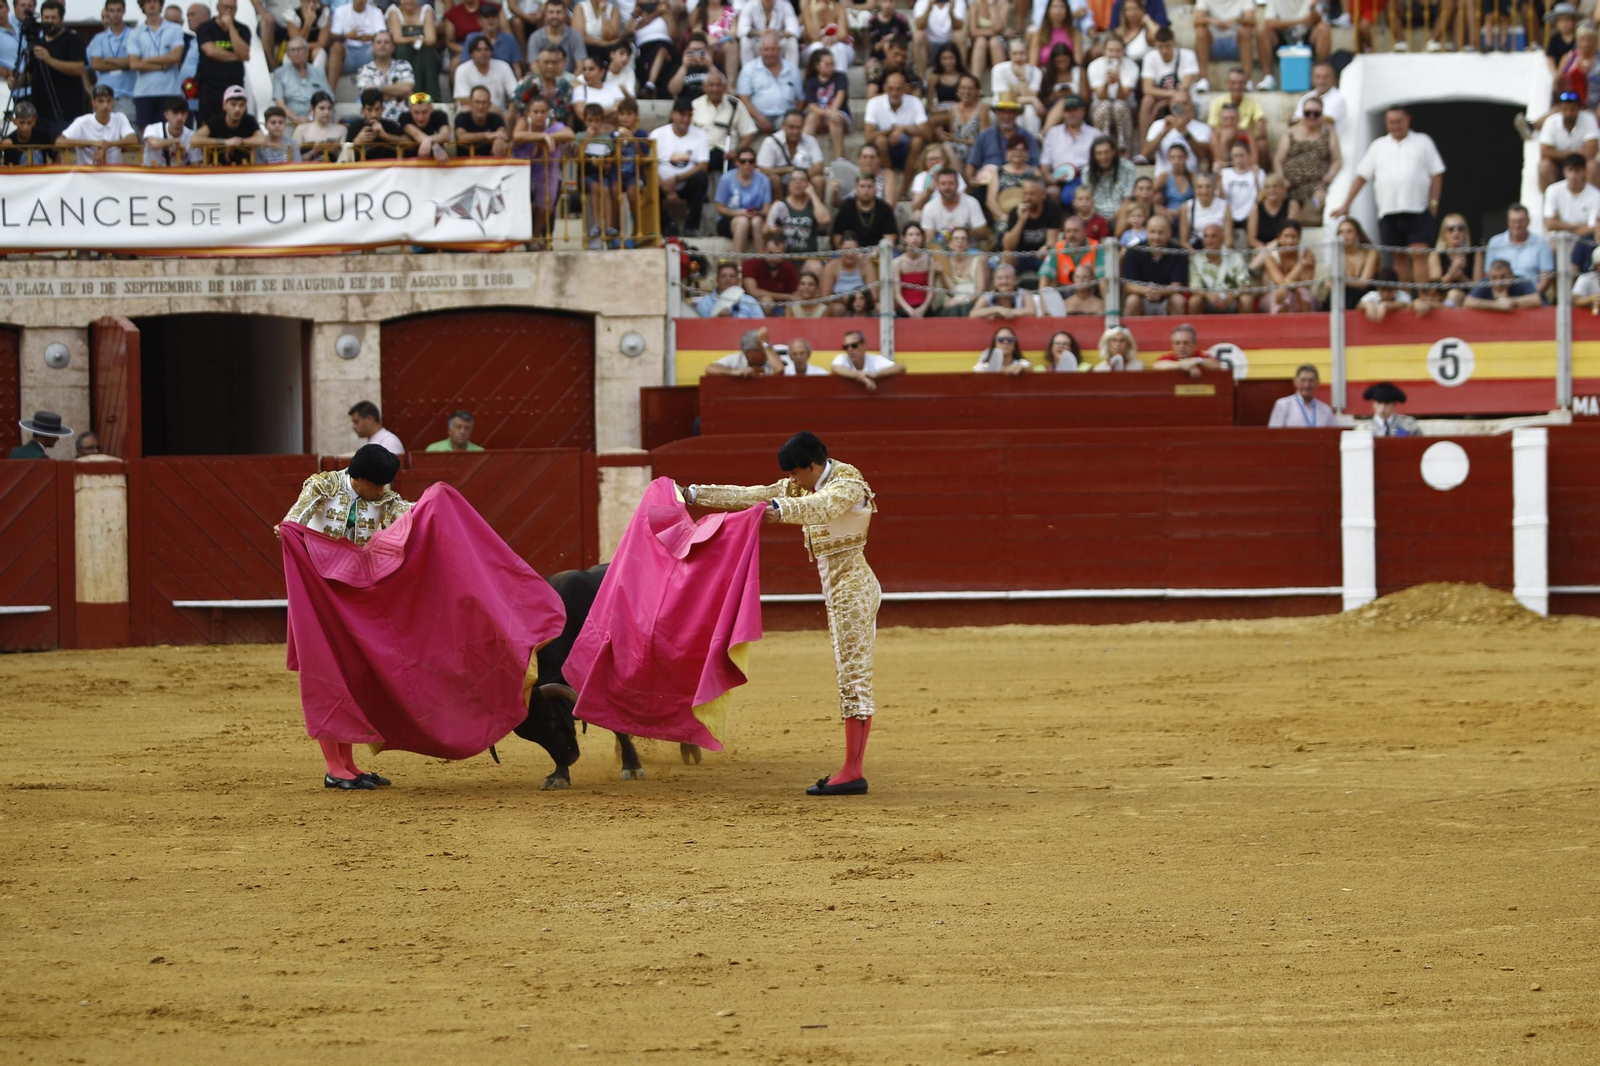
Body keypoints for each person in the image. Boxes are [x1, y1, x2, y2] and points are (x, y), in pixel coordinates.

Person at [686, 432, 880, 795]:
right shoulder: (802, 486)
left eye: (795, 473)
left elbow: (823, 507)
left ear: (812, 466)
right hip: (838, 590)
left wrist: (782, 510)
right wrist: (694, 494)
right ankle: (852, 768)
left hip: (854, 592)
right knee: (849, 674)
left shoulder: (848, 483)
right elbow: (751, 494)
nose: (791, 481)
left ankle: (853, 771)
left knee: (853, 676)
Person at [276, 445, 411, 791]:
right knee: (326, 676)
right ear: (360, 478)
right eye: (378, 485)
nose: (383, 492)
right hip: (319, 596)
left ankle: (348, 764)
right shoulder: (323, 487)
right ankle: (334, 767)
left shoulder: (383, 498)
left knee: (349, 678)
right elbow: (291, 525)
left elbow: (413, 516)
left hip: (353, 599)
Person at [1332, 107, 1445, 291]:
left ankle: (1425, 297)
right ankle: (1405, 297)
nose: (1395, 126)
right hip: (1388, 210)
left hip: (1418, 208)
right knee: (1398, 256)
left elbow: (1437, 173)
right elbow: (1362, 176)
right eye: (1390, 122)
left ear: (1408, 119)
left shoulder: (1423, 142)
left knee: (1418, 254)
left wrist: (1433, 203)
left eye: (1398, 121)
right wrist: (1346, 204)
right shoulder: (1378, 146)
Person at [26, 0, 89, 139]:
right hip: (40, 113)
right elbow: (31, 73)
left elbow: (79, 68)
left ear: (61, 19)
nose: (49, 21)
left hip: (66, 113)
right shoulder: (38, 43)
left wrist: (50, 60)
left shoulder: (73, 40)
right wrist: (16, 81)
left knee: (63, 154)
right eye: (46, 18)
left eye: (53, 18)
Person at [864, 71, 930, 197]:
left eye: (899, 89)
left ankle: (904, 189)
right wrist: (895, 129)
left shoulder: (915, 102)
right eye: (891, 88)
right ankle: (892, 187)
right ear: (884, 88)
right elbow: (868, 137)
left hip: (909, 150)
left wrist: (903, 129)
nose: (894, 93)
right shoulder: (874, 103)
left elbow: (928, 135)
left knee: (917, 141)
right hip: (884, 151)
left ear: (905, 88)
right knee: (880, 141)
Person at [1275, 97, 1339, 223]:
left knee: (1315, 208)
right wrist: (1282, 179)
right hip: (1292, 185)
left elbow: (1337, 158)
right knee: (1291, 212)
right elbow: (1278, 159)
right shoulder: (1291, 132)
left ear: (1322, 114)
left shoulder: (1328, 131)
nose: (1312, 117)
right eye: (1307, 113)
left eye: (1316, 113)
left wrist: (1330, 174)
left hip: (1317, 184)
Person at [654, 97, 713, 232]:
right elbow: (648, 167)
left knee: (702, 178)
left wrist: (677, 179)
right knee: (646, 183)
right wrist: (667, 189)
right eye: (682, 114)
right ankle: (666, 225)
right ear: (672, 114)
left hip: (686, 184)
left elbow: (703, 166)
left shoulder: (700, 134)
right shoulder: (657, 134)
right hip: (661, 185)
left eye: (689, 115)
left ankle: (691, 227)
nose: (686, 119)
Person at [127, 0, 186, 129]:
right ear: (142, 5)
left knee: (171, 130)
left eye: (155, 1)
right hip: (144, 91)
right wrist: (162, 65)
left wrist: (147, 60)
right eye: (148, 2)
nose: (152, 5)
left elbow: (176, 56)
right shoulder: (135, 32)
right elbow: (135, 64)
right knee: (146, 132)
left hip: (170, 90)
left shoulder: (174, 29)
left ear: (161, 4)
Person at [692, 69, 758, 174]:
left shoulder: (735, 104)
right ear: (704, 87)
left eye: (719, 85)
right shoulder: (695, 105)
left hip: (728, 154)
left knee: (737, 173)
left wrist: (737, 151)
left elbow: (749, 132)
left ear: (725, 87)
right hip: (703, 155)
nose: (715, 89)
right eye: (711, 85)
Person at [737, 30, 803, 134]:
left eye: (773, 49)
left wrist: (792, 117)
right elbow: (744, 98)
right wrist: (760, 118)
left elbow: (801, 99)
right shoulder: (749, 69)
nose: (770, 53)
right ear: (760, 50)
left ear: (779, 50)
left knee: (791, 128)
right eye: (766, 49)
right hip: (756, 116)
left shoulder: (793, 69)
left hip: (784, 116)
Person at [194, 0, 250, 120]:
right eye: (226, 7)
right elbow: (210, 51)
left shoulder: (243, 29)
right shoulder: (205, 27)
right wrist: (237, 57)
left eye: (232, 8)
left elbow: (244, 53)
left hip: (234, 86)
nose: (229, 10)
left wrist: (230, 27)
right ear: (218, 7)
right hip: (210, 88)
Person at [56, 84, 140, 164]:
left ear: (113, 102)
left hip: (113, 172)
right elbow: (59, 142)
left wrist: (106, 145)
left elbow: (133, 139)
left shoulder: (120, 117)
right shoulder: (82, 121)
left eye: (109, 101)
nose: (105, 105)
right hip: (87, 172)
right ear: (93, 102)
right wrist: (92, 143)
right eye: (100, 101)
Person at [1484, 204, 1555, 298]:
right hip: (1499, 294)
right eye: (1513, 221)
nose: (1517, 225)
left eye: (1521, 221)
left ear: (1528, 221)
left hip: (1531, 294)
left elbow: (1546, 277)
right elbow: (1488, 274)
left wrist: (1531, 297)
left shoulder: (1541, 243)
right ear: (1508, 222)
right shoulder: (1495, 242)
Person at [1121, 213, 1185, 315]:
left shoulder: (1179, 252)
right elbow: (1129, 285)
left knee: (1178, 300)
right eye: (1152, 232)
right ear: (1146, 232)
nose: (1156, 237)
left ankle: (1178, 330)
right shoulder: (1134, 251)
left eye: (1161, 233)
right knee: (1132, 300)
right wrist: (1147, 291)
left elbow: (1177, 286)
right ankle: (1129, 331)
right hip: (1142, 298)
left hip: (1166, 298)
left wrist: (1160, 292)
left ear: (1169, 233)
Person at [767, 167, 832, 268]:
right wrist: (772, 230)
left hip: (808, 258)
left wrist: (813, 194)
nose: (797, 183)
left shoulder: (813, 205)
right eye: (794, 179)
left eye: (802, 180)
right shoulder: (780, 205)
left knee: (816, 266)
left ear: (808, 184)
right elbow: (765, 230)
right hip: (784, 259)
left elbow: (825, 220)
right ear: (789, 183)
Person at [1543, 153, 1600, 267]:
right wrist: (1577, 226)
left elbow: (1593, 228)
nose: (1573, 175)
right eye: (1570, 170)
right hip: (1558, 240)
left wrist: (1561, 224)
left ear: (1584, 172)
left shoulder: (1595, 195)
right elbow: (1550, 224)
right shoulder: (1553, 190)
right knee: (1551, 250)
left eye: (1577, 171)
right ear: (1564, 171)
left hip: (1583, 242)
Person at [1255, 0, 1327, 90]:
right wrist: (1301, 21)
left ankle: (1319, 74)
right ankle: (1268, 77)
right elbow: (1269, 22)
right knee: (1262, 30)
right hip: (1283, 38)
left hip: (1307, 38)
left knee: (1324, 28)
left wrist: (1313, 8)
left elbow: (1319, 18)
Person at [1137, 26, 1197, 133]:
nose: (1164, 51)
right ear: (1155, 45)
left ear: (1174, 43)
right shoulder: (1150, 57)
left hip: (1183, 97)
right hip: (1165, 96)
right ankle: (1144, 144)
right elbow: (1147, 89)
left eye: (1168, 46)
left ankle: (1183, 135)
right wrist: (1168, 97)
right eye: (1160, 47)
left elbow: (1185, 87)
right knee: (1147, 101)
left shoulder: (1188, 56)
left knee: (1179, 100)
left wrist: (1164, 102)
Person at [965, 97, 1039, 183]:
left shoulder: (1028, 137)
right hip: (987, 183)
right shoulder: (984, 135)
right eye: (1002, 112)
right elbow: (972, 164)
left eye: (1010, 112)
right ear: (997, 113)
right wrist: (971, 179)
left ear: (1016, 114)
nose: (1006, 116)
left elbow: (1035, 165)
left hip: (1019, 182)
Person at [757, 107, 825, 200]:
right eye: (791, 127)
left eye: (799, 127)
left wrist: (799, 179)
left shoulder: (810, 140)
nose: (795, 131)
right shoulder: (770, 142)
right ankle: (779, 211)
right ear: (783, 125)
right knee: (774, 179)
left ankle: (815, 213)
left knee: (819, 180)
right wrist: (790, 170)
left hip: (804, 181)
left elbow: (819, 166)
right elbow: (763, 169)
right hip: (780, 183)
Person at [1001, 175, 1062, 277]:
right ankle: (1002, 291)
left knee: (1053, 257)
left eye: (1032, 194)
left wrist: (1046, 247)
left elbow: (1052, 240)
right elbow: (1008, 245)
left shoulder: (1052, 209)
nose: (1028, 198)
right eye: (1025, 194)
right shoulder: (1015, 212)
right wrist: (1021, 220)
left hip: (1041, 255)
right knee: (1006, 255)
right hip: (1020, 254)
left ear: (1043, 195)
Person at [714, 146, 773, 251]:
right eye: (743, 161)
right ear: (737, 162)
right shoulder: (726, 179)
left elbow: (766, 209)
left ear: (755, 163)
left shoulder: (764, 180)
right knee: (742, 221)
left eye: (751, 161)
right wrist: (738, 213)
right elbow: (720, 207)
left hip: (755, 217)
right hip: (730, 219)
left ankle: (762, 261)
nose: (747, 164)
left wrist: (757, 213)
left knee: (757, 221)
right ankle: (739, 265)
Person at [1537, 90, 1599, 190]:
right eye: (1565, 109)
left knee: (1593, 166)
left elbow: (1591, 152)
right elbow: (1544, 152)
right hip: (1558, 166)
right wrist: (1574, 153)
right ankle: (1548, 201)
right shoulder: (1551, 121)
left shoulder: (1589, 119)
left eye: (1572, 109)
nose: (1569, 113)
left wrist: (1558, 153)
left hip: (1581, 165)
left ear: (1579, 108)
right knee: (1545, 166)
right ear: (1560, 108)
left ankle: (1594, 202)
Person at [88, 0, 138, 122]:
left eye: (118, 10)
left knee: (130, 133)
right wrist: (123, 62)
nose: (115, 14)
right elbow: (96, 64)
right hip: (103, 95)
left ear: (124, 11)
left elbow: (134, 62)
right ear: (107, 12)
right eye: (111, 10)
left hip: (127, 95)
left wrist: (108, 60)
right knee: (101, 132)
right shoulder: (99, 38)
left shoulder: (134, 35)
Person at [1086, 34, 1136, 154]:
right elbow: (1101, 96)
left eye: (1118, 50)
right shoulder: (1094, 66)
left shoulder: (1131, 66)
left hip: (1125, 105)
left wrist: (1118, 81)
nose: (1114, 54)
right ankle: (1103, 147)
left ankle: (1124, 150)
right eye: (1111, 50)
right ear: (1104, 51)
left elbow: (1123, 96)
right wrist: (1106, 82)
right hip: (1100, 105)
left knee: (1118, 105)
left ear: (1123, 51)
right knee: (1105, 106)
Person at [1187, 221, 1250, 313]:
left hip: (1231, 299)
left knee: (1246, 299)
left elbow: (1245, 283)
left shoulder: (1236, 256)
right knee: (1195, 301)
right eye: (1206, 236)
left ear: (1222, 238)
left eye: (1214, 236)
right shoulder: (1196, 259)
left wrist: (1233, 294)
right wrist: (1207, 294)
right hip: (1208, 300)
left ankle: (1247, 327)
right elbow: (1194, 286)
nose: (1209, 240)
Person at [801, 46, 850, 163]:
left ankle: (839, 159)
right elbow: (811, 105)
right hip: (821, 116)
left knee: (834, 118)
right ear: (817, 66)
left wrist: (833, 110)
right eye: (827, 64)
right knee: (812, 116)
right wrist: (826, 112)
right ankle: (803, 153)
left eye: (832, 64)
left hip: (840, 115)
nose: (830, 67)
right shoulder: (811, 81)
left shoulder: (840, 76)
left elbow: (840, 94)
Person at [191, 84, 264, 163]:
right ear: (224, 105)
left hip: (244, 168)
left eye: (241, 105)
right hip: (217, 168)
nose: (237, 109)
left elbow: (261, 140)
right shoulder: (216, 121)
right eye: (233, 104)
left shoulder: (249, 120)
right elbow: (194, 140)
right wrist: (226, 142)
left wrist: (239, 142)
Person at [356, 31, 416, 124]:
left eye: (386, 42)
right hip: (374, 122)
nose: (382, 45)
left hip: (402, 122)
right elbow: (368, 96)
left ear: (393, 47)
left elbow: (407, 89)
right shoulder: (364, 69)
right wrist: (398, 93)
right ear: (373, 47)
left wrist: (378, 88)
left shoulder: (404, 65)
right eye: (379, 42)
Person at [921, 166, 990, 244]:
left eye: (951, 183)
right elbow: (929, 240)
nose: (947, 187)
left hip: (968, 251)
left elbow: (983, 233)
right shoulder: (929, 207)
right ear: (938, 185)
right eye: (943, 184)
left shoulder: (971, 202)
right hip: (941, 252)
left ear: (957, 184)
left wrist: (962, 233)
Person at [388, 0, 441, 99]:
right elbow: (397, 38)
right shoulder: (394, 11)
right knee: (402, 50)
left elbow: (431, 39)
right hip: (403, 51)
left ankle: (432, 97)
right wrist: (414, 39)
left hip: (423, 51)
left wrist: (418, 41)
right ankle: (407, 96)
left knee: (428, 52)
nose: (409, 1)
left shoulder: (426, 11)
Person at [272, 36, 332, 124]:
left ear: (307, 51)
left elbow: (329, 98)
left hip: (316, 120)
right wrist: (296, 119)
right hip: (289, 120)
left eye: (300, 49)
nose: (296, 53)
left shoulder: (319, 72)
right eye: (293, 50)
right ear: (288, 54)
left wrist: (311, 117)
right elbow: (280, 104)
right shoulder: (279, 73)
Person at [1262, 220, 1317, 313]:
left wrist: (1287, 284)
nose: (1290, 241)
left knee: (1304, 296)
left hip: (1300, 292)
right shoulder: (1270, 257)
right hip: (1275, 294)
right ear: (1279, 237)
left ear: (1299, 238)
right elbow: (1279, 283)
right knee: (1282, 299)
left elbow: (1306, 282)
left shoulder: (1307, 253)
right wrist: (1300, 265)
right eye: (1286, 236)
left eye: (1294, 237)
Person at [832, 173, 899, 249]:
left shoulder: (885, 209)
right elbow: (837, 238)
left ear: (875, 189)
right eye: (862, 186)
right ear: (856, 188)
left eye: (869, 186)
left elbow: (890, 239)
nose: (866, 190)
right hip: (851, 254)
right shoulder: (846, 207)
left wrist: (874, 254)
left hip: (878, 253)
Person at [1193, 0, 1254, 83]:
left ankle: (1247, 80)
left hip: (1237, 43)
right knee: (1201, 31)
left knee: (1246, 31)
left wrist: (1237, 20)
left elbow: (1252, 20)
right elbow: (1196, 20)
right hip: (1213, 44)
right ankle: (1203, 79)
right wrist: (1211, 20)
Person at [457, 32, 520, 111]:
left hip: (499, 114)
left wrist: (511, 110)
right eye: (479, 50)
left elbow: (514, 94)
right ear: (471, 53)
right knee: (465, 109)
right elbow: (463, 99)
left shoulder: (504, 66)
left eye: (486, 49)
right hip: (473, 113)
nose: (483, 53)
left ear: (491, 52)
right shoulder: (462, 70)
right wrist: (489, 107)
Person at [1427, 213, 1477, 308]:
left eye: (1460, 228)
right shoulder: (1436, 255)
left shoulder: (1474, 254)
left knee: (1456, 293)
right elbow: (1434, 289)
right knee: (1454, 294)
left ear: (1465, 232)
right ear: (1444, 233)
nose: (1456, 232)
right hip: (1442, 298)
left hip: (1469, 298)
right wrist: (1451, 275)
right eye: (1451, 229)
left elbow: (1478, 287)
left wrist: (1461, 277)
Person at [743, 232, 802, 312]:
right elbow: (753, 292)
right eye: (771, 253)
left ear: (784, 252)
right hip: (755, 309)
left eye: (778, 254)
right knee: (766, 301)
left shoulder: (789, 268)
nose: (774, 257)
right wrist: (787, 296)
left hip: (783, 308)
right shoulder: (751, 264)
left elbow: (795, 294)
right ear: (764, 250)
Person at [821, 233, 880, 312]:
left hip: (863, 304)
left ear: (858, 250)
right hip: (840, 304)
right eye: (846, 249)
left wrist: (858, 301)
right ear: (840, 249)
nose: (850, 253)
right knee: (837, 309)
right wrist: (843, 299)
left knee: (879, 307)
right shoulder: (831, 266)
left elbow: (874, 296)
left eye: (853, 250)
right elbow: (825, 297)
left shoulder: (866, 265)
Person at [893, 222, 942, 316]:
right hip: (904, 307)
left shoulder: (929, 260)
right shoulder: (897, 263)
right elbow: (897, 294)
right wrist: (909, 310)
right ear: (904, 239)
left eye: (918, 234)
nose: (914, 238)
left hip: (924, 306)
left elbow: (931, 291)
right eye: (911, 235)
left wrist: (923, 308)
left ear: (922, 238)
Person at [463, 3, 523, 77]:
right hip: (477, 80)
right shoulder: (471, 38)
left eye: (493, 17)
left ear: (498, 20)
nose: (490, 20)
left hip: (504, 80)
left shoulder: (509, 39)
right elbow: (465, 64)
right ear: (480, 21)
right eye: (486, 17)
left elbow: (516, 67)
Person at [1268, 364, 1336, 427]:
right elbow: (1273, 435)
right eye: (1303, 380)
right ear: (1295, 382)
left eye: (1311, 380)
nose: (1307, 385)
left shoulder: (1325, 410)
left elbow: (1335, 435)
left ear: (1317, 383)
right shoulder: (1283, 405)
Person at [832, 330, 906, 388]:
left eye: (854, 345)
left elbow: (901, 367)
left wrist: (875, 375)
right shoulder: (843, 358)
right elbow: (835, 368)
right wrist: (861, 377)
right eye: (846, 347)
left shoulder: (874, 359)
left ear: (864, 345)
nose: (850, 349)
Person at [1464, 259, 1544, 312]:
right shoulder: (1485, 283)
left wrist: (1511, 301)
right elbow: (1468, 301)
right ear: (1489, 276)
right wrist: (1497, 305)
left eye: (1503, 277)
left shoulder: (1521, 281)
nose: (1498, 282)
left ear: (1511, 275)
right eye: (1494, 278)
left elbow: (1536, 300)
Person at [1292, 59, 1346, 136]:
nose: (1321, 81)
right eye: (1317, 77)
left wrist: (1298, 120)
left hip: (1329, 144)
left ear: (1334, 78)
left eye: (1326, 77)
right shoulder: (1306, 97)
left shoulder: (1338, 98)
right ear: (1312, 79)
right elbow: (1293, 122)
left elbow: (1326, 121)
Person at [456, 84, 510, 157]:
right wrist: (487, 135)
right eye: (477, 102)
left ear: (489, 104)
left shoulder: (496, 118)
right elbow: (461, 136)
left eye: (484, 102)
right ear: (470, 103)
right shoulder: (462, 117)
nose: (481, 106)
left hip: (491, 163)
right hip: (465, 164)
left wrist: (499, 138)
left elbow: (502, 132)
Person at [695, 262, 767, 317]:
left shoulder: (750, 302)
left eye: (732, 276)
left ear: (738, 280)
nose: (728, 279)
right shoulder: (706, 302)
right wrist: (717, 320)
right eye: (723, 276)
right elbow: (699, 329)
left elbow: (761, 327)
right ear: (717, 280)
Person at [1151, 323, 1221, 378]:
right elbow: (1156, 366)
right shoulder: (1168, 358)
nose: (1181, 346)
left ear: (1194, 345)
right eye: (1177, 343)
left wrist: (1197, 361)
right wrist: (1182, 365)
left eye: (1186, 343)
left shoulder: (1200, 355)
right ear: (1172, 345)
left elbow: (1217, 366)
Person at [142, 94, 198, 164]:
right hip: (151, 173)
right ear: (166, 115)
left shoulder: (192, 136)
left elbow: (195, 164)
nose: (179, 117)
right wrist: (174, 141)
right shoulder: (152, 128)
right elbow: (154, 143)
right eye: (175, 113)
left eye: (183, 113)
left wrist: (183, 153)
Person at [969, 261, 1034, 319]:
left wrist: (1007, 313)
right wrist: (997, 310)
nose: (1004, 281)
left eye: (1007, 278)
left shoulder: (1024, 293)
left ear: (1015, 280)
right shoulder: (988, 296)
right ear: (994, 281)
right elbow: (973, 314)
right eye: (1000, 278)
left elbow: (1032, 311)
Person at [708, 327, 785, 375]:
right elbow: (710, 369)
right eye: (761, 349)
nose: (765, 351)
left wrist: (766, 343)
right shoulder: (736, 359)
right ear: (749, 352)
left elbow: (779, 370)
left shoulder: (770, 357)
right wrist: (733, 372)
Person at [403, 92, 451, 159]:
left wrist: (429, 140)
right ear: (410, 109)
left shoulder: (440, 115)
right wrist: (434, 145)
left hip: (437, 161)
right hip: (410, 162)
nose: (420, 117)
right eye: (416, 112)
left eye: (424, 112)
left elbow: (445, 135)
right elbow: (415, 133)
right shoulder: (405, 117)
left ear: (431, 109)